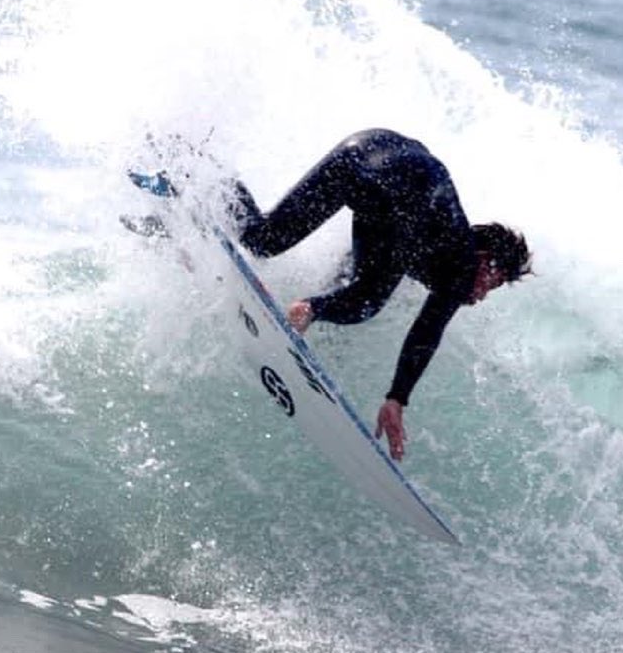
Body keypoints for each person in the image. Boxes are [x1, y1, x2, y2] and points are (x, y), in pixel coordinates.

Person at [222, 128, 531, 462]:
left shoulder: (437, 234)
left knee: (263, 239)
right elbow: (427, 331)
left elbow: (369, 263)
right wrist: (397, 398)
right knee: (367, 298)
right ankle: (309, 309)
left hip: (361, 154)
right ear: (487, 260)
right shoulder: (461, 261)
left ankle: (206, 177)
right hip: (391, 188)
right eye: (493, 283)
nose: (483, 295)